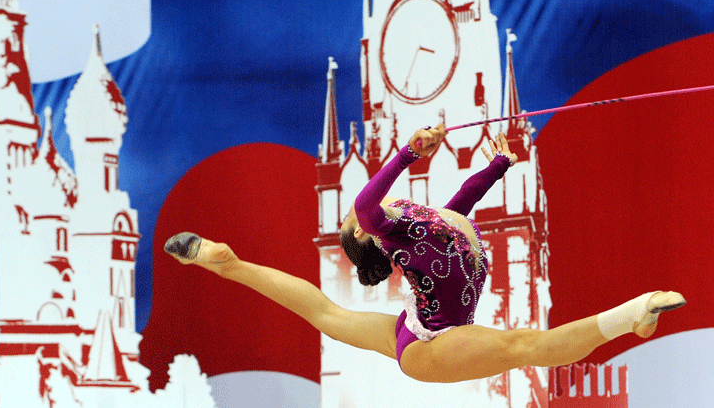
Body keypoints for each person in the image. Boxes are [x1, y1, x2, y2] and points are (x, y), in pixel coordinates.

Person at [165, 124, 686, 384]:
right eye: (354, 221)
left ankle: (227, 263)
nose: (360, 209)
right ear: (367, 236)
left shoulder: (430, 224)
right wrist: (410, 152)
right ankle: (632, 314)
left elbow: (463, 204)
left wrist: (501, 162)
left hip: (421, 328)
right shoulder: (385, 226)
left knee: (328, 314)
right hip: (432, 343)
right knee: (527, 345)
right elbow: (367, 203)